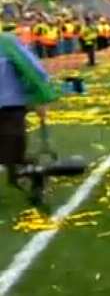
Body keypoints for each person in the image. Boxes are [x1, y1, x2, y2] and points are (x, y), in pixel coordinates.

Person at [0, 23, 58, 205]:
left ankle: (35, 176)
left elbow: (35, 71)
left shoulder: (7, 43)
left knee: (13, 153)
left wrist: (40, 99)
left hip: (10, 107)